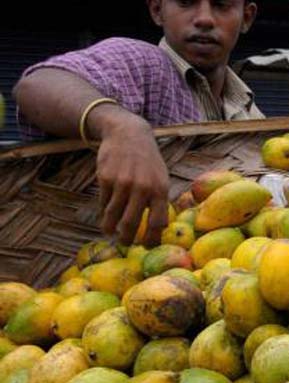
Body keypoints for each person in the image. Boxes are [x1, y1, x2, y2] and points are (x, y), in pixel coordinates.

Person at [14, 0, 261, 245]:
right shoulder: (141, 63)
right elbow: (38, 84)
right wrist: (119, 125)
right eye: (186, 2)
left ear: (247, 18)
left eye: (222, 5)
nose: (205, 18)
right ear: (157, 10)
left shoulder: (250, 112)